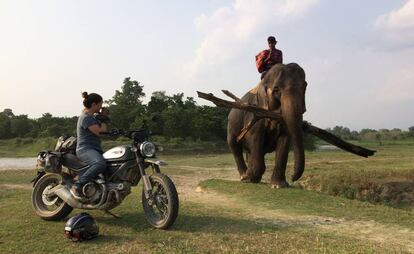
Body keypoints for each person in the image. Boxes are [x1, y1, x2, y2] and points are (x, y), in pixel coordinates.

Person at [70, 92, 109, 199]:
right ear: (94, 104)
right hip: (85, 149)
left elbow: (103, 131)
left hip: (94, 149)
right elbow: (101, 132)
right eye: (100, 104)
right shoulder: (86, 117)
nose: (101, 107)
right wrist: (104, 118)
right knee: (100, 164)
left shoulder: (93, 117)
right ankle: (77, 185)